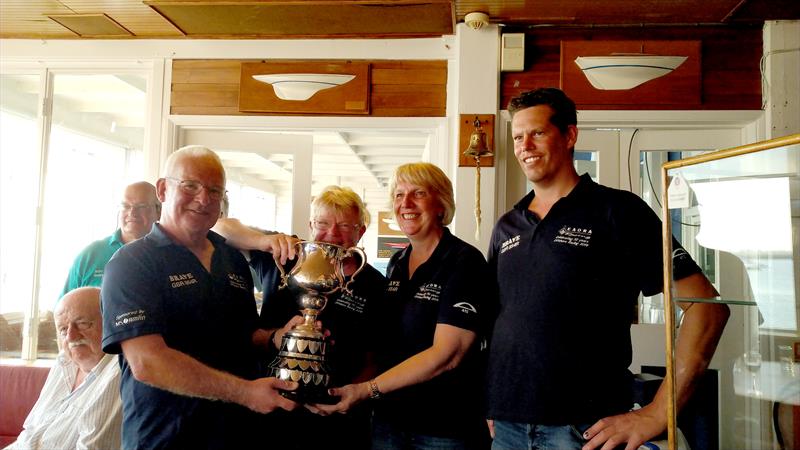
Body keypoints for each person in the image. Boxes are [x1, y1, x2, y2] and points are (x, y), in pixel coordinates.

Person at [485, 87, 730, 450]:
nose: (525, 146)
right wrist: (493, 398)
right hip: (508, 426)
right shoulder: (508, 225)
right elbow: (497, 320)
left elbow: (706, 309)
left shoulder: (619, 212)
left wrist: (659, 411)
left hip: (583, 430)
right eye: (518, 136)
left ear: (569, 135)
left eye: (537, 133)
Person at [100, 145, 297, 449]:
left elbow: (244, 335)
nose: (203, 199)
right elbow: (148, 362)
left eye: (215, 191)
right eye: (190, 185)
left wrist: (276, 338)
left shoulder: (231, 259)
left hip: (235, 434)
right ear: (163, 190)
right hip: (164, 437)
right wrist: (246, 393)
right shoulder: (132, 263)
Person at [310, 163, 491, 450]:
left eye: (418, 193)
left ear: (441, 204)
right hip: (389, 422)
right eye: (398, 194)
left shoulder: (464, 261)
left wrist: (365, 390)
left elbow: (448, 354)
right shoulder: (397, 263)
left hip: (442, 427)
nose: (405, 203)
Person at [213, 185, 388, 450]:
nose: (331, 234)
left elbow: (375, 358)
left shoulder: (375, 284)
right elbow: (221, 227)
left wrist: (346, 398)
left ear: (360, 232)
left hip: (336, 418)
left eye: (344, 226)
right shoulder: (286, 254)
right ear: (310, 224)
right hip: (271, 407)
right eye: (323, 223)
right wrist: (265, 241)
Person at [7, 287, 121, 450]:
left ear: (110, 323)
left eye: (82, 324)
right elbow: (31, 432)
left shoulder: (117, 370)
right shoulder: (64, 361)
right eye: (62, 329)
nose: (70, 336)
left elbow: (92, 447)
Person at [58, 181, 160, 301]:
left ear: (159, 211)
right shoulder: (91, 255)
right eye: (125, 206)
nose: (132, 213)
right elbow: (63, 311)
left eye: (141, 206)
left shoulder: (169, 255)